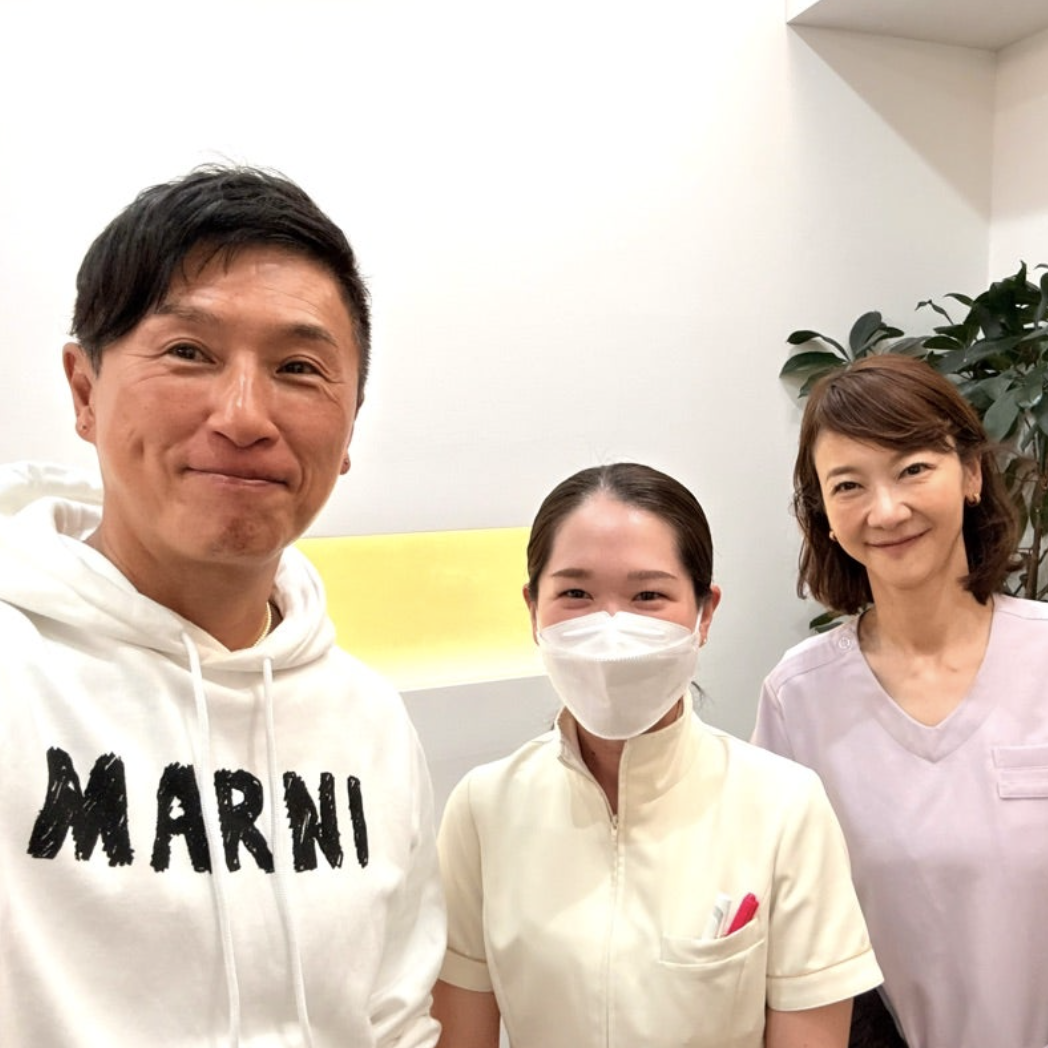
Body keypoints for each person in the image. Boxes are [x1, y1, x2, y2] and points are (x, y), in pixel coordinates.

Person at [0, 166, 444, 1046]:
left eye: (299, 368)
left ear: (350, 428)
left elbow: (395, 1020)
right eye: (189, 353)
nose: (244, 416)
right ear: (84, 391)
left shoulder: (369, 721)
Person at [433, 463, 882, 1048]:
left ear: (704, 613)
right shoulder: (483, 808)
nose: (611, 627)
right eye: (575, 594)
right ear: (532, 609)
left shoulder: (784, 807)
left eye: (648, 595)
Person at [752, 354, 1048, 1048]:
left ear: (971, 474)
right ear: (824, 515)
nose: (886, 511)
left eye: (913, 468)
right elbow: (785, 930)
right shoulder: (799, 699)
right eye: (848, 485)